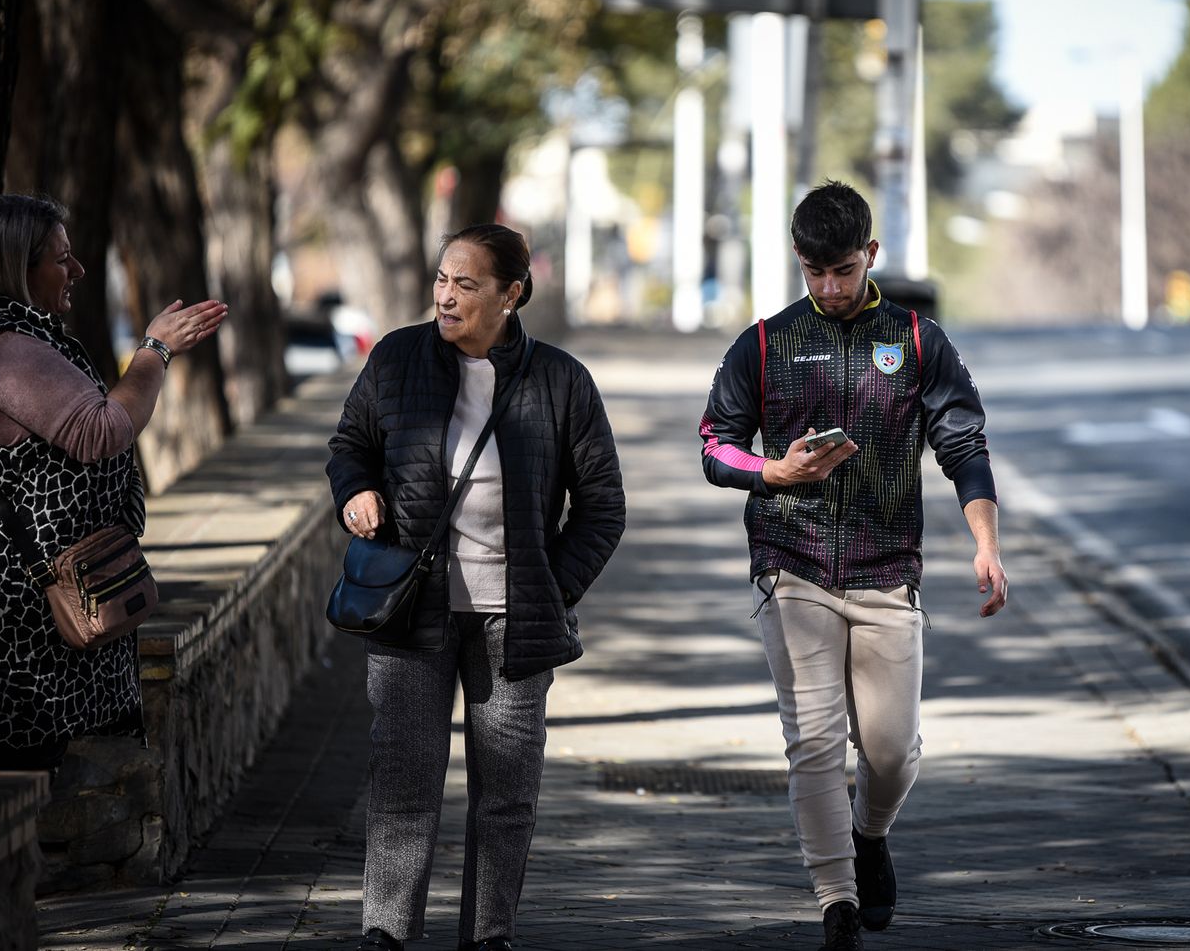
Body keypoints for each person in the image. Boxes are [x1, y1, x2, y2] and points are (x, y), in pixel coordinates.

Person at [699, 181, 1008, 951]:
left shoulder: (916, 339)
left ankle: (870, 833)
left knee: (891, 749)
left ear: (869, 255)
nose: (829, 288)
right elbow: (714, 445)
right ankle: (836, 899)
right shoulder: (765, 342)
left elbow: (964, 447)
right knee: (811, 738)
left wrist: (985, 543)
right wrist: (773, 473)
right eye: (814, 272)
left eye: (841, 270)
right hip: (791, 563)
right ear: (798, 263)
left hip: (886, 571)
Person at [327, 223, 626, 951]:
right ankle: (386, 933)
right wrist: (356, 492)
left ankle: (489, 936)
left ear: (511, 294)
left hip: (512, 623)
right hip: (410, 611)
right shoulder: (398, 359)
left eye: (466, 283)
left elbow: (602, 506)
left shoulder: (560, 380)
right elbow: (350, 446)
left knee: (507, 796)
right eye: (441, 279)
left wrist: (550, 588)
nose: (446, 295)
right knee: (402, 784)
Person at [0, 193, 226, 772]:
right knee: (37, 766)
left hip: (59, 587)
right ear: (19, 266)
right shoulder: (3, 348)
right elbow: (100, 430)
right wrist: (155, 351)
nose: (78, 271)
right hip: (27, 610)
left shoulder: (23, 334)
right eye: (62, 259)